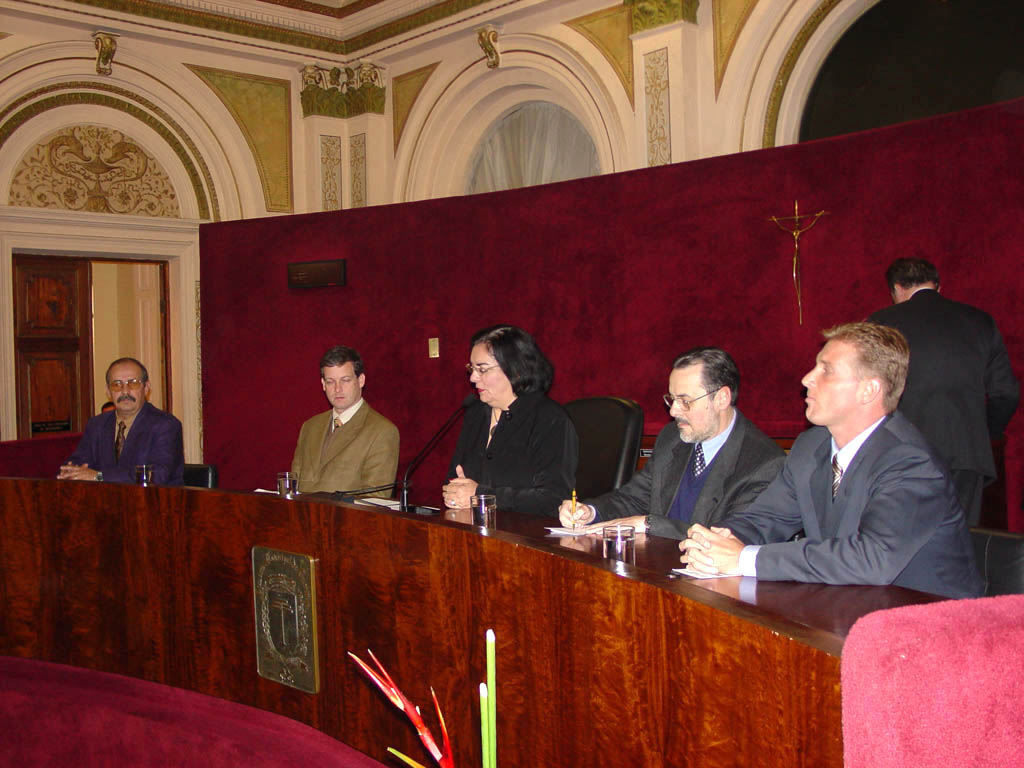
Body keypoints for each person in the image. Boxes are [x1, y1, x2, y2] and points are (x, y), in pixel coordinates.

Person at [681, 322, 982, 600]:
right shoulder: (811, 446)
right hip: (846, 610)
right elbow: (766, 518)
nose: (807, 378)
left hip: (930, 629)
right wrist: (718, 539)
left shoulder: (910, 462)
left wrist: (745, 558)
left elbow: (872, 558)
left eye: (826, 370)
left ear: (869, 390)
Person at [557, 347, 784, 539]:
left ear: (722, 398)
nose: (674, 411)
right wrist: (590, 511)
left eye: (685, 401)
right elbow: (633, 498)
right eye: (672, 399)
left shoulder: (764, 463)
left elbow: (730, 537)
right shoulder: (672, 438)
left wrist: (648, 525)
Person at [869, 258, 1019, 525]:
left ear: (896, 289)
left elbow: (866, 390)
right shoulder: (980, 321)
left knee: (907, 540)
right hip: (967, 451)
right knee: (960, 541)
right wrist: (983, 433)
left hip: (901, 452)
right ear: (938, 286)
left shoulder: (881, 323)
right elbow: (1006, 394)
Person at [443, 325, 578, 516]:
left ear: (516, 371)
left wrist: (480, 494)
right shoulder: (475, 413)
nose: (473, 378)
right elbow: (455, 478)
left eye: (482, 369)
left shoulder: (550, 419)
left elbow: (554, 499)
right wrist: (454, 492)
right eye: (471, 368)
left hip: (527, 537)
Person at [291, 345, 399, 496]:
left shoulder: (382, 431)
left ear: (361, 380)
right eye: (330, 382)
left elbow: (374, 502)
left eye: (345, 380)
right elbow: (293, 487)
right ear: (323, 384)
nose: (337, 389)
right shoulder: (310, 427)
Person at [59, 357, 184, 485]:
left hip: (155, 502)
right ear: (108, 391)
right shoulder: (97, 425)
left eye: (133, 383)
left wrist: (99, 476)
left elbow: (157, 475)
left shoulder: (166, 425)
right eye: (117, 385)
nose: (125, 391)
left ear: (146, 388)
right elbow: (79, 461)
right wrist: (70, 472)